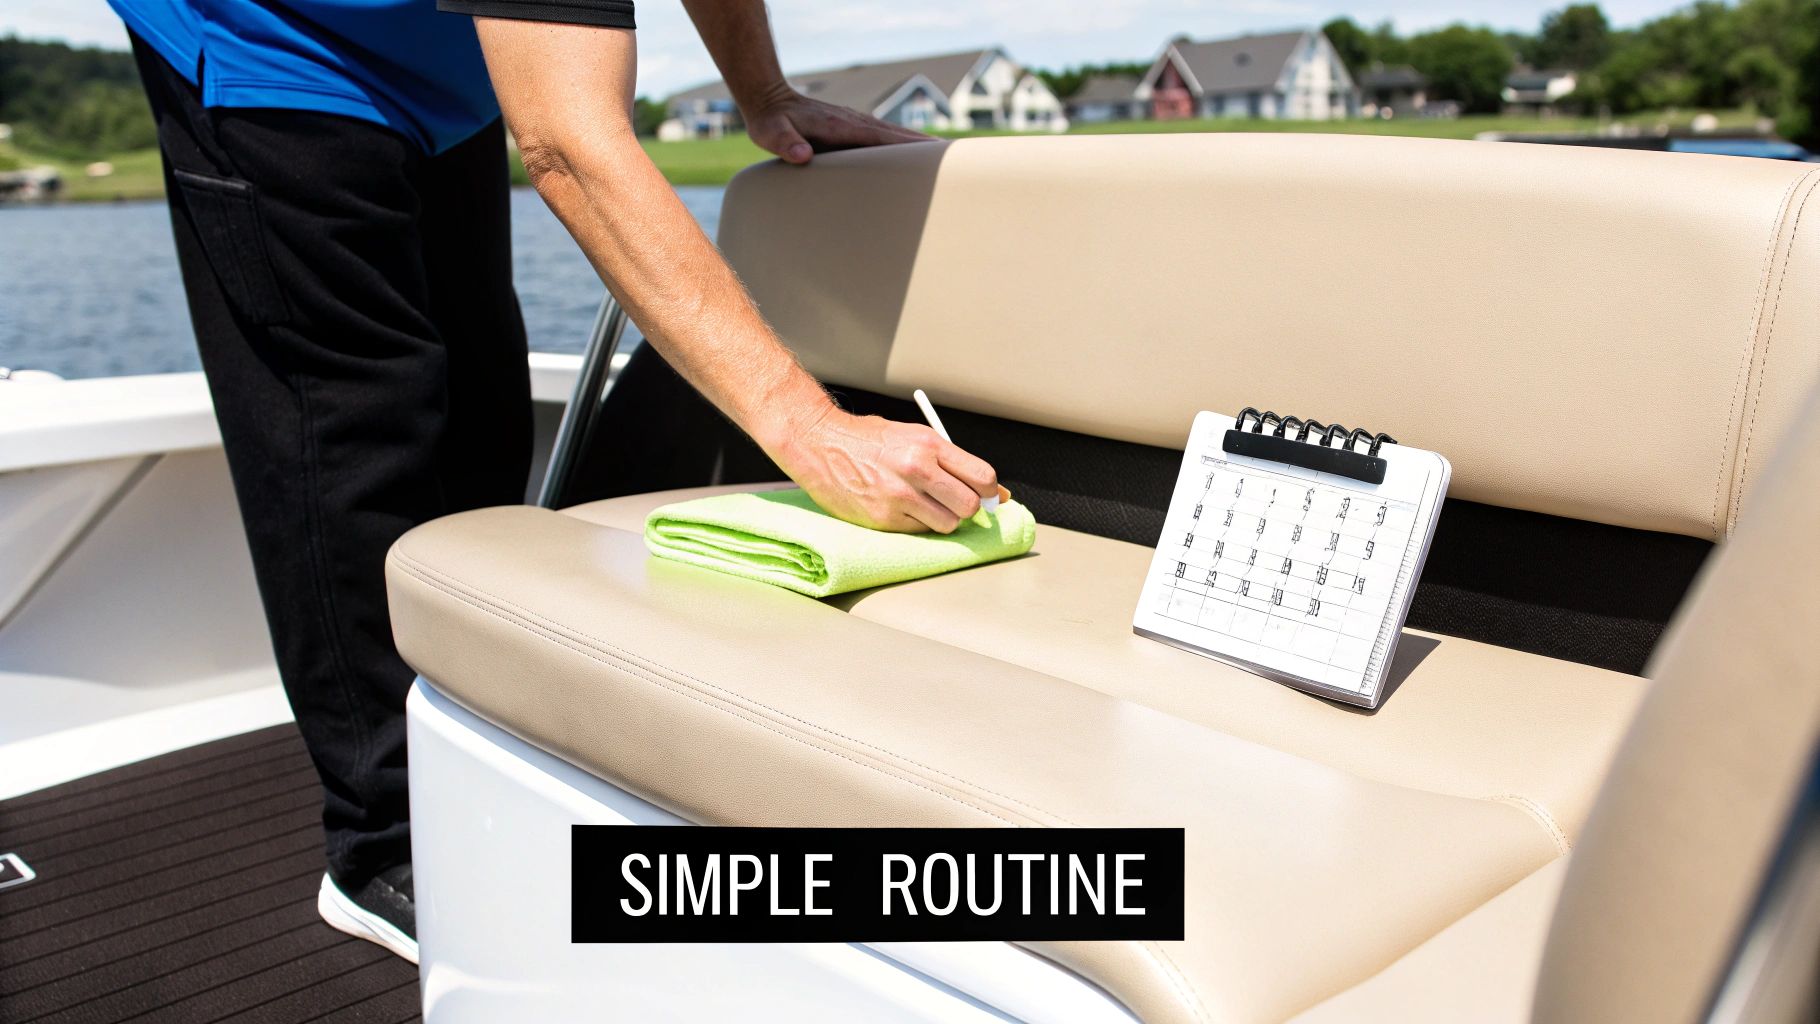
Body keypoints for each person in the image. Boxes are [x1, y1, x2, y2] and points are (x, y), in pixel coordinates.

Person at [111, 0, 1001, 962]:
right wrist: (809, 426)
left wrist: (764, 92)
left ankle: (478, 761)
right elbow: (569, 148)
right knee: (354, 434)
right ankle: (384, 845)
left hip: (446, 75)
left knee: (482, 416)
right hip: (276, 47)